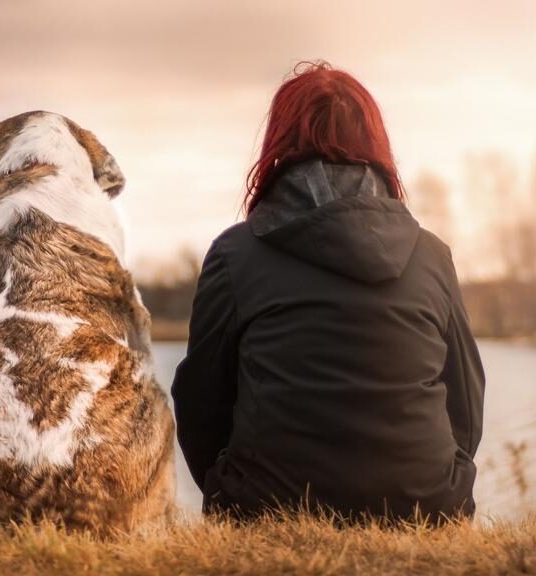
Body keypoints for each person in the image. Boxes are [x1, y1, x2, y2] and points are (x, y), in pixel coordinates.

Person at [171, 62, 485, 522]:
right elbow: (467, 401)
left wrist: (228, 489)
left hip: (266, 507)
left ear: (279, 144)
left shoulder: (235, 255)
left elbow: (201, 402)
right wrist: (441, 482)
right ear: (376, 144)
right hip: (426, 507)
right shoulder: (432, 255)